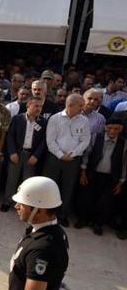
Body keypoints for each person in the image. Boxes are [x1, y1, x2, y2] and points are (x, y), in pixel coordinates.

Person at [3, 176, 70, 290]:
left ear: (39, 210)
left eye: (23, 203)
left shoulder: (42, 249)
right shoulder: (48, 230)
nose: (16, 206)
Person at [43, 94, 91, 227]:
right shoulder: (55, 118)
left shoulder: (84, 121)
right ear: (70, 105)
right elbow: (50, 140)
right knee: (50, 185)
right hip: (54, 158)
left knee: (67, 188)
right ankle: (45, 213)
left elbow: (85, 140)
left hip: (73, 160)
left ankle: (62, 215)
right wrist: (60, 154)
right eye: (80, 105)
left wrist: (73, 153)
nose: (83, 108)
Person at [75, 118, 125, 235]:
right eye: (110, 128)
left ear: (121, 129)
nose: (112, 131)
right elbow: (87, 155)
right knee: (86, 198)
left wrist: (121, 182)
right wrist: (83, 172)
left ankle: (98, 224)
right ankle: (83, 219)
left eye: (116, 129)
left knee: (105, 202)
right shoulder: (95, 137)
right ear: (105, 127)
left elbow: (124, 163)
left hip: (110, 177)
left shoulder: (124, 143)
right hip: (93, 174)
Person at [3, 97, 47, 212]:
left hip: (31, 156)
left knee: (27, 182)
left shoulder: (43, 122)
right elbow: (10, 136)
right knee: (12, 179)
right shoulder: (17, 119)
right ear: (28, 106)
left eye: (40, 106)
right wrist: (12, 152)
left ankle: (22, 205)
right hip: (17, 153)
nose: (39, 109)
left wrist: (36, 155)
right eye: (36, 106)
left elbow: (44, 142)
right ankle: (7, 201)